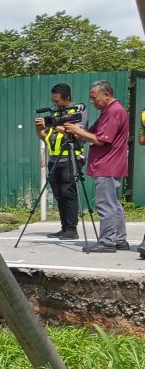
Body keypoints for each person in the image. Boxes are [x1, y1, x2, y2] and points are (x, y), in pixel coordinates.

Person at [63, 80, 129, 253]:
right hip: (112, 163)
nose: (92, 102)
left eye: (94, 98)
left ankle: (107, 242)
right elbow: (91, 133)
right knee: (114, 204)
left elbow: (101, 140)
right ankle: (120, 240)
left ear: (106, 94)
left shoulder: (114, 111)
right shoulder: (108, 111)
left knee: (105, 204)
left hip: (107, 163)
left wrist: (77, 131)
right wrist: (68, 130)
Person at [34, 83, 86, 239]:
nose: (54, 104)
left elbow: (77, 133)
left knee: (68, 193)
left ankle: (72, 229)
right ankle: (64, 227)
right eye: (53, 100)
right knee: (58, 194)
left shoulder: (77, 112)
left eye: (57, 101)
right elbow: (45, 136)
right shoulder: (55, 113)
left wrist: (52, 124)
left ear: (67, 98)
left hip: (70, 158)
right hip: (54, 159)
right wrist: (39, 127)